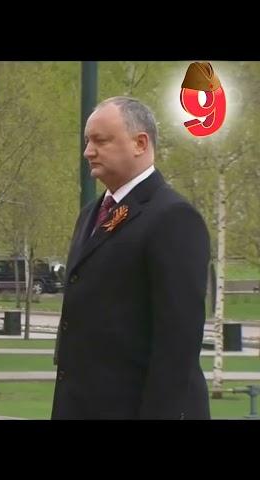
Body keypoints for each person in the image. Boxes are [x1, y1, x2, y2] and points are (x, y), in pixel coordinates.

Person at [52, 97, 211, 420]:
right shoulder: (91, 214)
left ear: (140, 143)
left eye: (100, 140)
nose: (88, 152)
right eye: (87, 141)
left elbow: (176, 343)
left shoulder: (173, 218)